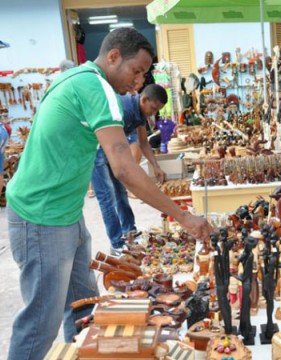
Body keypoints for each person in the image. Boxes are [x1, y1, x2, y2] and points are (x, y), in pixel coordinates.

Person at [6, 28, 212, 360]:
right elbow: (125, 169)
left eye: (144, 74)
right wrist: (183, 215)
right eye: (137, 71)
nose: (139, 81)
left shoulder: (80, 78)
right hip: (41, 218)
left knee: (85, 310)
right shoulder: (94, 85)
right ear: (114, 56)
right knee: (39, 325)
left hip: (65, 215)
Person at [91, 84, 168, 254]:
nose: (153, 113)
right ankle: (117, 243)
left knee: (120, 190)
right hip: (94, 148)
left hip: (109, 146)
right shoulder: (124, 108)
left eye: (157, 110)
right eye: (153, 108)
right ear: (144, 99)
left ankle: (129, 232)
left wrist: (156, 166)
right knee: (107, 195)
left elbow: (143, 141)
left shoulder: (141, 111)